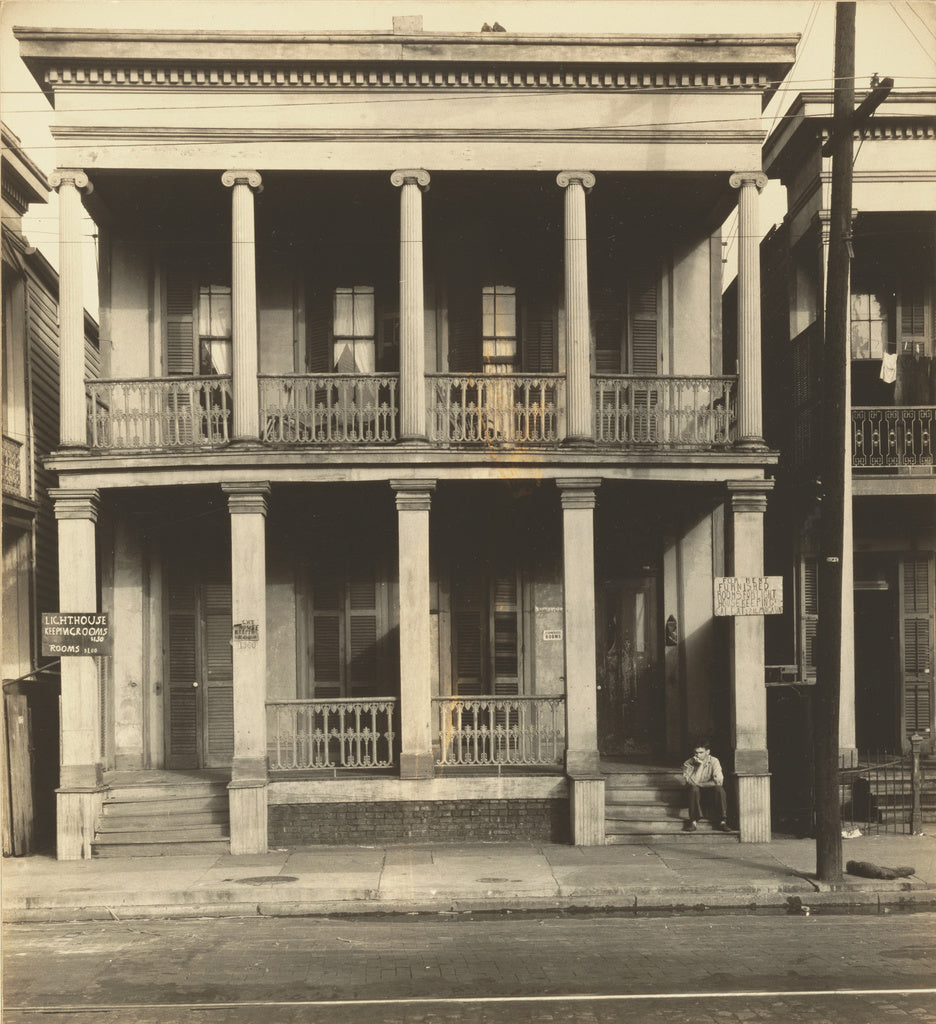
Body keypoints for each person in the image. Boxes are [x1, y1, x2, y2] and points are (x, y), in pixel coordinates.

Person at [682, 740, 730, 831]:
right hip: (693, 795)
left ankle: (722, 822)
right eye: (696, 752)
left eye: (701, 752)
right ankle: (693, 822)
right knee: (694, 789)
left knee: (719, 789)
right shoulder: (688, 763)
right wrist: (700, 766)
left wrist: (700, 784)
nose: (698, 755)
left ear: (708, 752)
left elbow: (719, 782)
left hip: (709, 794)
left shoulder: (714, 761)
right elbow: (692, 783)